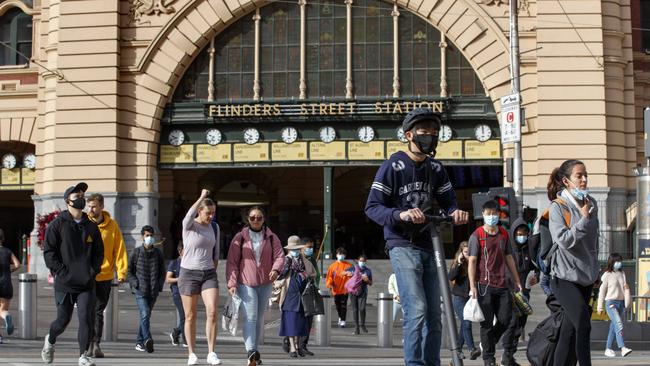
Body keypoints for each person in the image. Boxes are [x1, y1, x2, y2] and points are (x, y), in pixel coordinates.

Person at [365, 108, 469, 366]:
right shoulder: (393, 166)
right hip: (402, 244)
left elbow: (448, 201)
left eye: (434, 132)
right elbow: (373, 207)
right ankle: (414, 363)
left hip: (429, 242)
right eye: (424, 132)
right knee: (418, 310)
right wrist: (401, 215)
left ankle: (431, 362)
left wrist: (455, 212)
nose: (430, 136)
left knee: (435, 314)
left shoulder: (435, 168)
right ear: (409, 134)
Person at [41, 182, 104, 366]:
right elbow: (49, 253)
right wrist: (61, 272)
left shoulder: (91, 227)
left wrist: (93, 270)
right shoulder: (57, 225)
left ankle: (83, 355)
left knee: (86, 318)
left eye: (83, 196)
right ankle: (50, 340)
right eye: (77, 197)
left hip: (86, 283)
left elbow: (99, 252)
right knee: (62, 321)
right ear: (68, 201)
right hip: (65, 283)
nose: (82, 199)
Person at [546, 159, 599, 366]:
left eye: (585, 175)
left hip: (586, 276)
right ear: (567, 181)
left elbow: (594, 240)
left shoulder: (591, 203)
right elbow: (564, 240)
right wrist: (583, 219)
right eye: (579, 176)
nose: (584, 179)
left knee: (569, 331)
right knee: (583, 324)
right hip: (564, 276)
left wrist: (596, 270)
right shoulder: (558, 207)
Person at [226, 206, 285, 366]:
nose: (256, 220)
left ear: (264, 219)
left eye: (259, 217)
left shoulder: (272, 237)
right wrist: (232, 282)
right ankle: (250, 350)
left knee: (259, 319)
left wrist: (275, 269)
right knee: (251, 317)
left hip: (265, 283)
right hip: (246, 282)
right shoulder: (240, 237)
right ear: (248, 219)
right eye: (252, 218)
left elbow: (280, 256)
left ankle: (255, 353)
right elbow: (232, 262)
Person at [468, 200, 522, 366]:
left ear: (499, 215)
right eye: (489, 213)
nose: (492, 217)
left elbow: (509, 257)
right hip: (484, 286)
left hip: (503, 284)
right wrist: (472, 286)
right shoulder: (477, 235)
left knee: (506, 319)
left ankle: (487, 343)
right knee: (486, 324)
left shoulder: (503, 234)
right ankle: (489, 359)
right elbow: (472, 261)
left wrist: (517, 279)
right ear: (483, 214)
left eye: (495, 214)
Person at [179, 189, 221, 366]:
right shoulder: (189, 225)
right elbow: (188, 214)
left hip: (208, 273)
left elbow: (216, 251)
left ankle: (211, 352)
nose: (211, 216)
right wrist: (202, 197)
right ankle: (192, 353)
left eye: (213, 213)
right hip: (188, 273)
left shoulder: (214, 227)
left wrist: (213, 266)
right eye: (207, 213)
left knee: (212, 311)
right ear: (199, 211)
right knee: (190, 316)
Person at [86, 193, 128, 358]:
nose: (91, 209)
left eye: (94, 206)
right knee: (87, 310)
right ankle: (87, 343)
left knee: (97, 311)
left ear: (102, 207)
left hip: (105, 275)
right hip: (87, 276)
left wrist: (122, 271)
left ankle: (96, 344)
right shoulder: (84, 224)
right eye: (89, 206)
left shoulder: (112, 226)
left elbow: (119, 250)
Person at [500, 219, 537, 365]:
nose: (522, 236)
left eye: (524, 234)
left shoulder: (528, 249)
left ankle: (510, 355)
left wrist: (536, 276)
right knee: (512, 323)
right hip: (510, 292)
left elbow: (533, 267)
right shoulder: (508, 250)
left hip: (524, 292)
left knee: (521, 324)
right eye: (519, 234)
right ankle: (506, 354)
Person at [277, 236, 317, 358]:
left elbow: (313, 274)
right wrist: (287, 265)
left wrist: (307, 276)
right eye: (293, 249)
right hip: (289, 294)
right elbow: (279, 276)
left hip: (303, 294)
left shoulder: (304, 260)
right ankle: (292, 347)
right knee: (291, 322)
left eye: (297, 249)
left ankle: (298, 346)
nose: (295, 251)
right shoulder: (285, 260)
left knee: (300, 322)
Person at [128, 225, 165, 353]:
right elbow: (129, 271)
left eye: (151, 235)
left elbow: (162, 272)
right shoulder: (136, 252)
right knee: (145, 313)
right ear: (142, 237)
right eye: (147, 235)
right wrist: (135, 283)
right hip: (140, 290)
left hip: (153, 290)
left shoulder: (158, 253)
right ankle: (148, 339)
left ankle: (139, 342)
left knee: (146, 316)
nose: (149, 238)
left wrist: (159, 285)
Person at [448, 241, 480, 361]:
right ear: (461, 252)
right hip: (459, 298)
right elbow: (450, 277)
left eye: (469, 252)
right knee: (466, 322)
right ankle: (472, 349)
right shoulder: (458, 263)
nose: (468, 254)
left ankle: (457, 350)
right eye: (466, 252)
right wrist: (459, 263)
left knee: (464, 325)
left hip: (470, 298)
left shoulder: (474, 262)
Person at [597, 252, 632, 358]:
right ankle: (622, 348)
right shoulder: (607, 275)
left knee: (614, 326)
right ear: (612, 262)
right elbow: (602, 292)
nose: (619, 263)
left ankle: (608, 349)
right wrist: (600, 307)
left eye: (620, 261)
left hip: (621, 303)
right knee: (618, 324)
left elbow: (624, 287)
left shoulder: (622, 273)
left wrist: (627, 290)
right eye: (617, 261)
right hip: (611, 303)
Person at [0, 228, 20, 344]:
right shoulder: (8, 251)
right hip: (6, 284)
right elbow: (17, 264)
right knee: (3, 310)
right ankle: (6, 315)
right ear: (3, 239)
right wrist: (9, 270)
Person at [325, 247, 353, 328]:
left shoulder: (349, 265)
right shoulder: (332, 266)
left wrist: (351, 275)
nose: (341, 256)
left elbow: (354, 275)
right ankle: (340, 317)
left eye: (343, 254)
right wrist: (330, 283)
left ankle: (343, 320)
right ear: (337, 255)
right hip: (336, 289)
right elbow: (329, 276)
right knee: (338, 306)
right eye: (340, 254)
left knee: (344, 305)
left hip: (345, 289)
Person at [346, 254, 373, 335]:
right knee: (355, 309)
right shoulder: (353, 268)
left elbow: (371, 283)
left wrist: (367, 280)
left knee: (362, 308)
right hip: (353, 291)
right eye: (361, 261)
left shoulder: (368, 271)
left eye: (364, 261)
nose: (362, 262)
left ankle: (362, 324)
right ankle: (356, 328)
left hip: (363, 291)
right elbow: (342, 272)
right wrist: (349, 273)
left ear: (366, 262)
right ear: (358, 261)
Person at [167, 243, 187, 347]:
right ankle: (186, 340)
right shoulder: (174, 263)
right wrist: (179, 279)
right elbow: (168, 279)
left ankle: (176, 332)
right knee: (184, 316)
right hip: (177, 293)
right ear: (180, 251)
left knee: (188, 316)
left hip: (188, 293)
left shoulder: (190, 263)